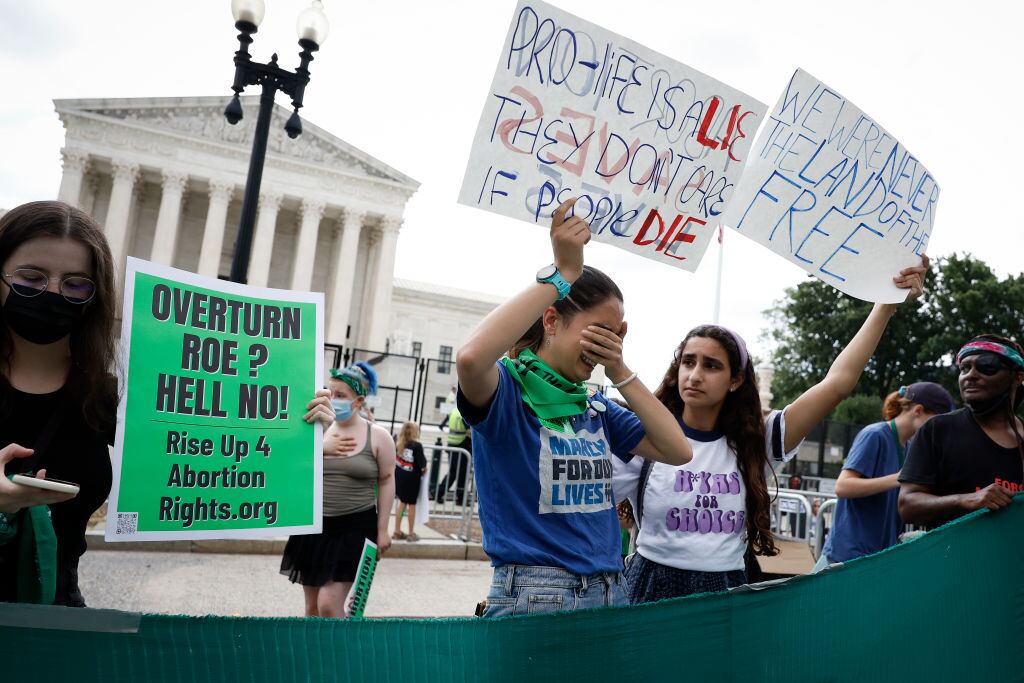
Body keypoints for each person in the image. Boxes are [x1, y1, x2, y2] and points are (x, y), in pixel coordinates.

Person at [616, 257, 929, 603]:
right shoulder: (641, 434)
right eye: (688, 362)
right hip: (648, 589)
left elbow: (838, 383)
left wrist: (884, 306)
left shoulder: (756, 441)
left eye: (712, 365)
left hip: (725, 594)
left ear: (736, 380)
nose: (695, 374)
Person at [456, 198, 692, 618]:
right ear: (551, 321)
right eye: (598, 332)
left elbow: (678, 449)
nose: (606, 345)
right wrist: (562, 275)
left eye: (615, 335)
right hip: (536, 595)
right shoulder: (507, 393)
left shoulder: (595, 407)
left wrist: (619, 367)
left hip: (609, 591)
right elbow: (471, 358)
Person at [0, 201, 117, 607]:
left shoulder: (106, 394)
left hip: (57, 618)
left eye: (75, 284)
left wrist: (295, 420)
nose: (52, 293)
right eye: (31, 277)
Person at [280, 361, 396, 618]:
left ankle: (343, 655)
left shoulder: (378, 436)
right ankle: (315, 657)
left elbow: (387, 480)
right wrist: (320, 449)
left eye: (341, 395)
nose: (333, 400)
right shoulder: (313, 429)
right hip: (314, 527)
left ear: (358, 401)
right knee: (311, 608)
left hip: (354, 528)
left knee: (329, 605)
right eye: (330, 393)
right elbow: (287, 463)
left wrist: (383, 530)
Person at [813, 382, 955, 571]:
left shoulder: (908, 447)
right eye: (938, 421)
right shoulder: (875, 435)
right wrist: (898, 479)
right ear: (918, 410)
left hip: (876, 558)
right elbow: (843, 487)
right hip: (846, 559)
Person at [899, 335, 1024, 526]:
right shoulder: (937, 430)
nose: (970, 375)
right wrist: (967, 500)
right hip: (953, 555)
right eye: (964, 368)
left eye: (986, 366)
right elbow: (907, 505)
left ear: (1018, 377)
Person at [393, 421, 426, 542]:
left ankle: (397, 531)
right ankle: (411, 533)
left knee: (402, 504)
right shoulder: (417, 446)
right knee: (411, 505)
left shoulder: (399, 443)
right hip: (412, 479)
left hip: (400, 477)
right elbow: (423, 465)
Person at [435, 405, 470, 504]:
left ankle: (439, 493)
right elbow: (469, 430)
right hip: (461, 446)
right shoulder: (464, 413)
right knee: (461, 474)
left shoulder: (454, 411)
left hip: (452, 445)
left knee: (453, 472)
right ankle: (460, 499)